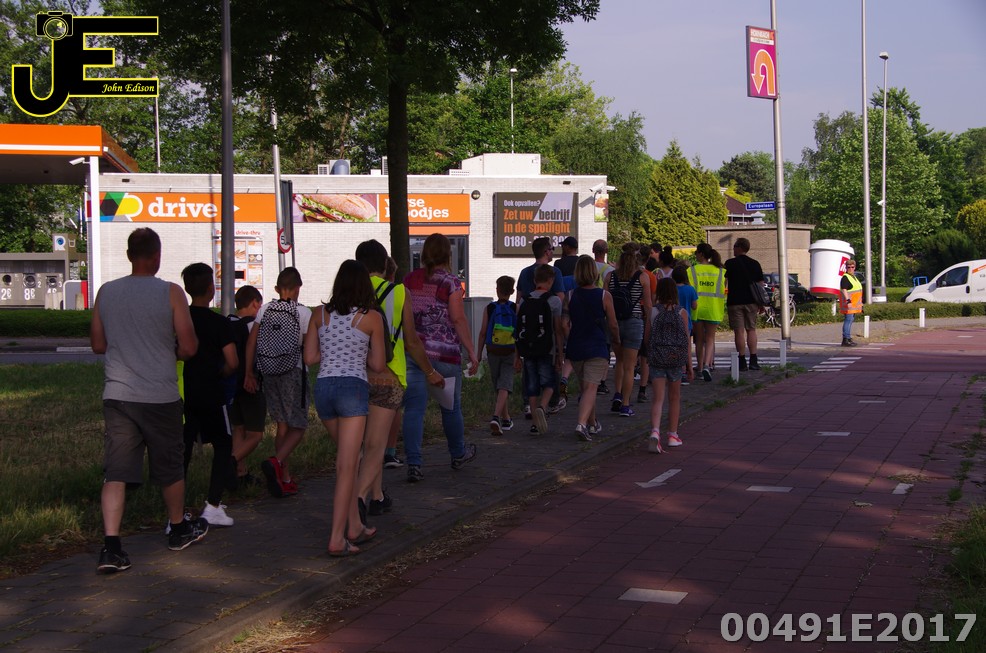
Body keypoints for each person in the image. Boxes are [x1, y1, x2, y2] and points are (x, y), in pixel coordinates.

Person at [89, 227, 207, 573]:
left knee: (116, 472)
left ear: (129, 255)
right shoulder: (171, 293)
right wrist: (168, 351)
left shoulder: (106, 292)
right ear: (157, 256)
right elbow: (189, 346)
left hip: (118, 395)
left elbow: (98, 344)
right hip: (160, 395)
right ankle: (178, 529)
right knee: (169, 466)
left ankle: (111, 547)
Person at [303, 259, 387, 557]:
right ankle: (337, 538)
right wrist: (358, 353)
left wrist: (333, 352)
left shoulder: (318, 314)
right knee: (347, 466)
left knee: (350, 458)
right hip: (353, 389)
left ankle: (355, 525)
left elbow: (310, 358)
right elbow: (378, 363)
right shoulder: (371, 318)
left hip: (324, 389)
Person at [353, 240, 442, 519]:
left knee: (367, 442)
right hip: (390, 374)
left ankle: (377, 496)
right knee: (376, 444)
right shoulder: (399, 292)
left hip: (355, 372)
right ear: (384, 264)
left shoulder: (350, 290)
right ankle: (359, 500)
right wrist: (429, 371)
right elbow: (412, 341)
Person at [402, 233, 479, 483]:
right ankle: (458, 454)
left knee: (414, 409)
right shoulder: (451, 282)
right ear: (447, 254)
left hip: (415, 353)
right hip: (445, 354)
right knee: (450, 408)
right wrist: (471, 351)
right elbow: (458, 318)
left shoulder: (409, 280)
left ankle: (414, 464)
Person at [180, 263, 238, 527]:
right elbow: (232, 362)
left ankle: (176, 510)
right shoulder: (219, 323)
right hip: (213, 393)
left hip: (186, 392)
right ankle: (213, 504)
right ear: (211, 289)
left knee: (183, 449)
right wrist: (220, 373)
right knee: (224, 443)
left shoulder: (181, 321)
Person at [244, 267, 312, 498]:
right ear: (298, 288)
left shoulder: (264, 310)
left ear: (276, 288)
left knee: (282, 425)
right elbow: (308, 347)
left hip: (269, 372)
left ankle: (285, 478)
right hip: (294, 372)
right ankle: (277, 462)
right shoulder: (303, 313)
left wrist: (249, 372)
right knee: (299, 425)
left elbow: (252, 342)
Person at [567, 256, 620, 442]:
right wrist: (616, 340)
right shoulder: (604, 296)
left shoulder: (570, 295)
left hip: (576, 346)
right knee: (591, 387)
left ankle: (593, 422)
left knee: (586, 388)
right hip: (597, 346)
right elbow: (612, 324)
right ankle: (581, 424)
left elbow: (565, 323)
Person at [515, 264, 564, 435]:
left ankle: (535, 424)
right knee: (549, 383)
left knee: (532, 386)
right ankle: (542, 407)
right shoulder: (554, 301)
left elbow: (518, 328)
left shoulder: (524, 300)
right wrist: (560, 354)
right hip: (546, 349)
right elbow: (558, 330)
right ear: (551, 281)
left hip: (528, 349)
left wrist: (517, 355)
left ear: (535, 280)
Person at [647, 277, 694, 454]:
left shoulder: (653, 311)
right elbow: (686, 341)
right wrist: (689, 365)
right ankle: (673, 435)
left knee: (657, 398)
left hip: (657, 358)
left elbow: (647, 337)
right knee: (674, 397)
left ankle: (655, 431)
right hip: (675, 360)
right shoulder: (682, 312)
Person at [604, 245, 652, 416]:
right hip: (634, 321)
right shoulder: (643, 277)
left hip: (615, 322)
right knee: (630, 366)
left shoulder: (610, 277)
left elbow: (605, 300)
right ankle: (625, 404)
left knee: (619, 361)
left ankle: (617, 394)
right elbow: (648, 305)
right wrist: (649, 325)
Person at [227, 285, 266, 488]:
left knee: (238, 429)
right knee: (255, 434)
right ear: (254, 304)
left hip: (231, 385)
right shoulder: (252, 326)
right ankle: (229, 464)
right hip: (250, 384)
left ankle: (240, 474)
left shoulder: (228, 322)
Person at [476, 275, 517, 435]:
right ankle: (502, 418)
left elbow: (482, 332)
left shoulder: (490, 308)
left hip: (493, 350)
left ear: (497, 289)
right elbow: (519, 333)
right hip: (510, 351)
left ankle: (500, 418)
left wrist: (478, 354)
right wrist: (519, 355)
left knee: (499, 385)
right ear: (512, 291)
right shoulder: (515, 308)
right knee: (504, 385)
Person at [723, 237, 765, 371]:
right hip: (752, 301)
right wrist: (761, 303)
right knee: (751, 330)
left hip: (735, 302)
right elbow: (760, 285)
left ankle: (741, 362)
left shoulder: (730, 263)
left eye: (735, 246)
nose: (733, 248)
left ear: (739, 247)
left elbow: (724, 282)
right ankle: (753, 360)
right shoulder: (755, 264)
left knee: (739, 331)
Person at [688, 243, 725, 382]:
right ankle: (707, 366)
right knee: (710, 339)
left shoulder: (692, 270)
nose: (695, 255)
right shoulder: (720, 271)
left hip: (697, 309)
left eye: (696, 252)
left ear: (701, 254)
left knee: (699, 340)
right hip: (713, 309)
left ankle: (699, 367)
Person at [671, 264, 699, 382]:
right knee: (686, 346)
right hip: (686, 322)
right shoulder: (690, 289)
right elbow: (694, 306)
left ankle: (677, 369)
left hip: (672, 321)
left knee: (674, 346)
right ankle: (687, 370)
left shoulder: (672, 289)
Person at [839, 259, 863, 346]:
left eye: (852, 267)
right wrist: (848, 301)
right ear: (846, 268)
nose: (850, 269)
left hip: (854, 304)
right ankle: (846, 339)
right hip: (849, 304)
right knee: (848, 320)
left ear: (855, 267)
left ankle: (848, 338)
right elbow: (844, 290)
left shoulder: (854, 277)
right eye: (848, 267)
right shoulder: (845, 277)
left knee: (850, 320)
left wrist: (860, 303)